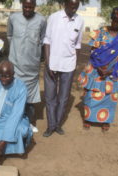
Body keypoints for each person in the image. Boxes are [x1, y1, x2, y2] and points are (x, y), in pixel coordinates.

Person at [78, 7, 118, 132]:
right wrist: (99, 67)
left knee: (109, 96)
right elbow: (93, 52)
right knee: (91, 93)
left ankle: (105, 120)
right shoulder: (100, 32)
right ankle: (88, 118)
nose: (116, 24)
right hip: (95, 68)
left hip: (113, 70)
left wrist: (110, 70)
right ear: (111, 19)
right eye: (115, 20)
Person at [43, 0, 84, 137]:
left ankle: (57, 125)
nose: (74, 9)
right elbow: (47, 41)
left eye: (76, 6)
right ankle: (50, 126)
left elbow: (77, 45)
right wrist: (48, 63)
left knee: (64, 98)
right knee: (50, 97)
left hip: (69, 65)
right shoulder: (53, 18)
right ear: (65, 4)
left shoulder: (80, 21)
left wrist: (75, 64)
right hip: (52, 64)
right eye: (71, 6)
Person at [7, 0, 46, 133]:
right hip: (16, 64)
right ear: (22, 5)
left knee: (30, 98)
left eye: (31, 7)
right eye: (25, 6)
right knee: (15, 95)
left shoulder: (41, 20)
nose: (28, 9)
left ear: (35, 6)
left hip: (32, 66)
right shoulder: (13, 18)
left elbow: (42, 40)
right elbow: (10, 36)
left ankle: (30, 123)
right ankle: (14, 122)